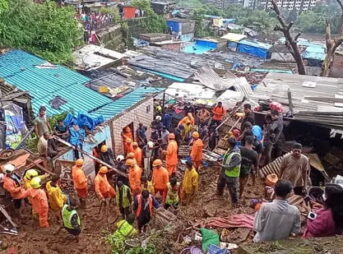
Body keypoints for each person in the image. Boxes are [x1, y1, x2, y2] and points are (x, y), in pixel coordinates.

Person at [217, 137, 241, 207]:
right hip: (224, 171)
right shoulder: (229, 149)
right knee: (220, 183)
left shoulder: (236, 155)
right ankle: (219, 193)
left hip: (231, 175)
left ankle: (235, 203)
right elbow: (226, 156)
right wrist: (221, 158)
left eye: (227, 143)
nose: (225, 144)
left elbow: (231, 167)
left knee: (232, 189)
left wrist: (221, 165)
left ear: (230, 144)